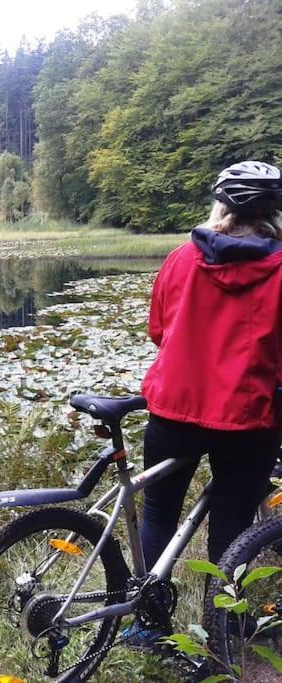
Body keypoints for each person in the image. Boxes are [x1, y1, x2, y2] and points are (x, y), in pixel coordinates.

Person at [125, 161, 282, 646]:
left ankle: (147, 628)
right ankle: (222, 631)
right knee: (231, 524)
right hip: (247, 418)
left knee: (157, 514)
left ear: (219, 207)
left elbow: (159, 330)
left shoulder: (179, 259)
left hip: (174, 409)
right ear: (272, 211)